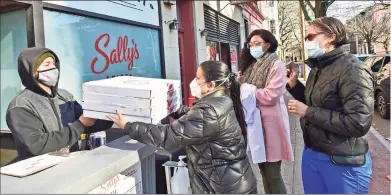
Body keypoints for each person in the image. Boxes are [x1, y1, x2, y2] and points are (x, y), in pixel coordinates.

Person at [108, 60, 257, 194]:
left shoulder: (209, 110)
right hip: (233, 181)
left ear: (211, 85)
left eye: (198, 78)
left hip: (224, 186)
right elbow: (196, 121)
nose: (194, 82)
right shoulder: (221, 101)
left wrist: (129, 126)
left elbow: (169, 136)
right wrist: (175, 109)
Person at [286, 17, 374, 194]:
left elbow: (358, 123)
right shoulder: (318, 67)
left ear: (331, 37)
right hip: (314, 153)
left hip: (343, 162)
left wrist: (308, 112)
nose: (307, 42)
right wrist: (295, 86)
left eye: (311, 37)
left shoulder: (352, 69)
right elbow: (318, 102)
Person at [6, 47, 112, 161]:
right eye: (46, 64)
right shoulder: (21, 106)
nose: (53, 68)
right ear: (32, 70)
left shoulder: (64, 96)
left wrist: (111, 116)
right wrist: (80, 125)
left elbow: (89, 122)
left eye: (53, 63)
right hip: (41, 173)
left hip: (72, 165)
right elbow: (36, 145)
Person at [238, 29, 294, 194]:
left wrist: (248, 91)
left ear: (268, 45)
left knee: (273, 174)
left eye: (257, 43)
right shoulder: (251, 66)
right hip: (254, 123)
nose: (253, 47)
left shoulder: (277, 65)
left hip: (271, 125)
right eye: (251, 44)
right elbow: (242, 88)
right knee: (263, 172)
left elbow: (272, 96)